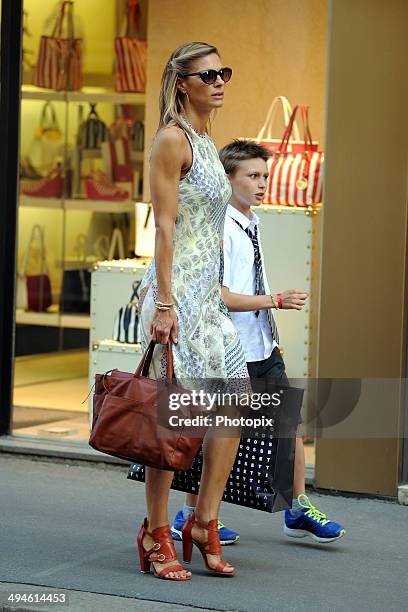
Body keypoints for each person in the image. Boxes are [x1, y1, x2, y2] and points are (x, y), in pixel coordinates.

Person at [171, 139, 346, 545]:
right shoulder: (220, 229)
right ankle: (187, 514)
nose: (262, 183)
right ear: (228, 180)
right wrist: (276, 300)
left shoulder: (250, 222)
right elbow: (219, 294)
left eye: (264, 175)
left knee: (288, 425)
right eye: (252, 176)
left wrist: (270, 324)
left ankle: (297, 509)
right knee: (212, 433)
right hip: (229, 351)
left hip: (262, 346)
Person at [135, 44, 250, 581]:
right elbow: (163, 227)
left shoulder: (207, 142)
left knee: (233, 402)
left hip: (207, 295)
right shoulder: (171, 139)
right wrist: (163, 303)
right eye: (208, 75)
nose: (219, 81)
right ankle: (155, 531)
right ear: (183, 83)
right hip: (174, 293)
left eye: (223, 72)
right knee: (173, 416)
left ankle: (204, 521)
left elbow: (209, 230)